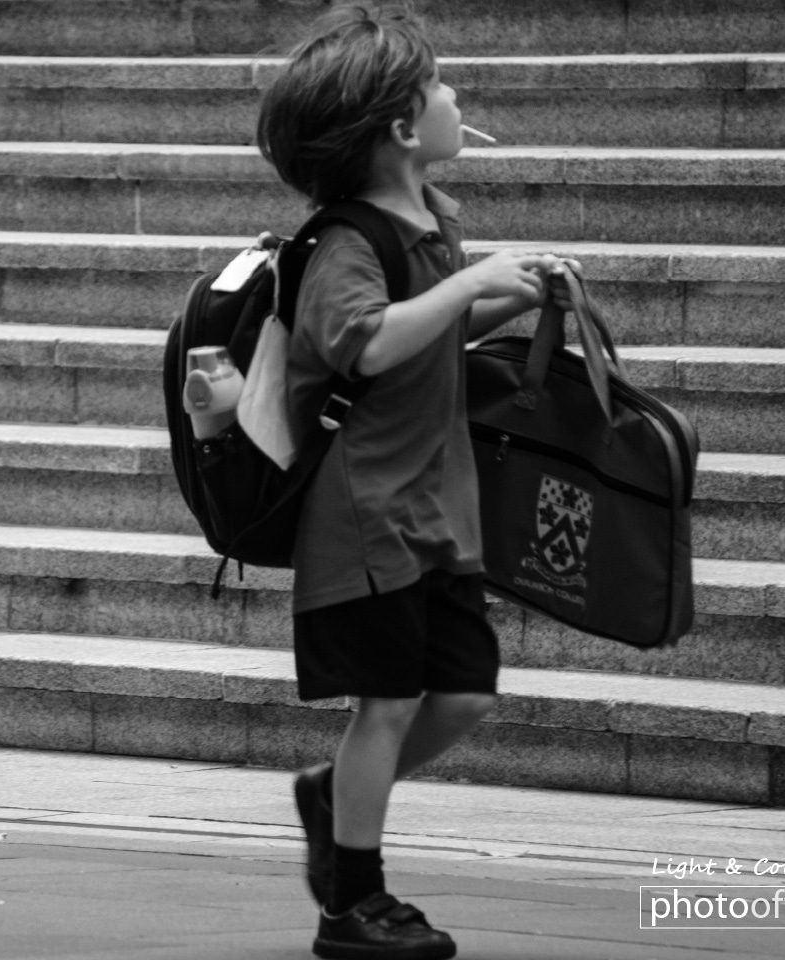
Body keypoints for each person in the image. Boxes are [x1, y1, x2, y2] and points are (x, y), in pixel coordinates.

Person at [256, 5, 578, 958]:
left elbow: (423, 343)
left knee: (466, 695)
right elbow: (364, 343)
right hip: (366, 514)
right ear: (403, 129)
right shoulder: (341, 242)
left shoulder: (433, 221)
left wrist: (502, 300)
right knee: (387, 703)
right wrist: (468, 283)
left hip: (438, 508)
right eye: (440, 88)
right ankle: (352, 904)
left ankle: (332, 795)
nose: (454, 97)